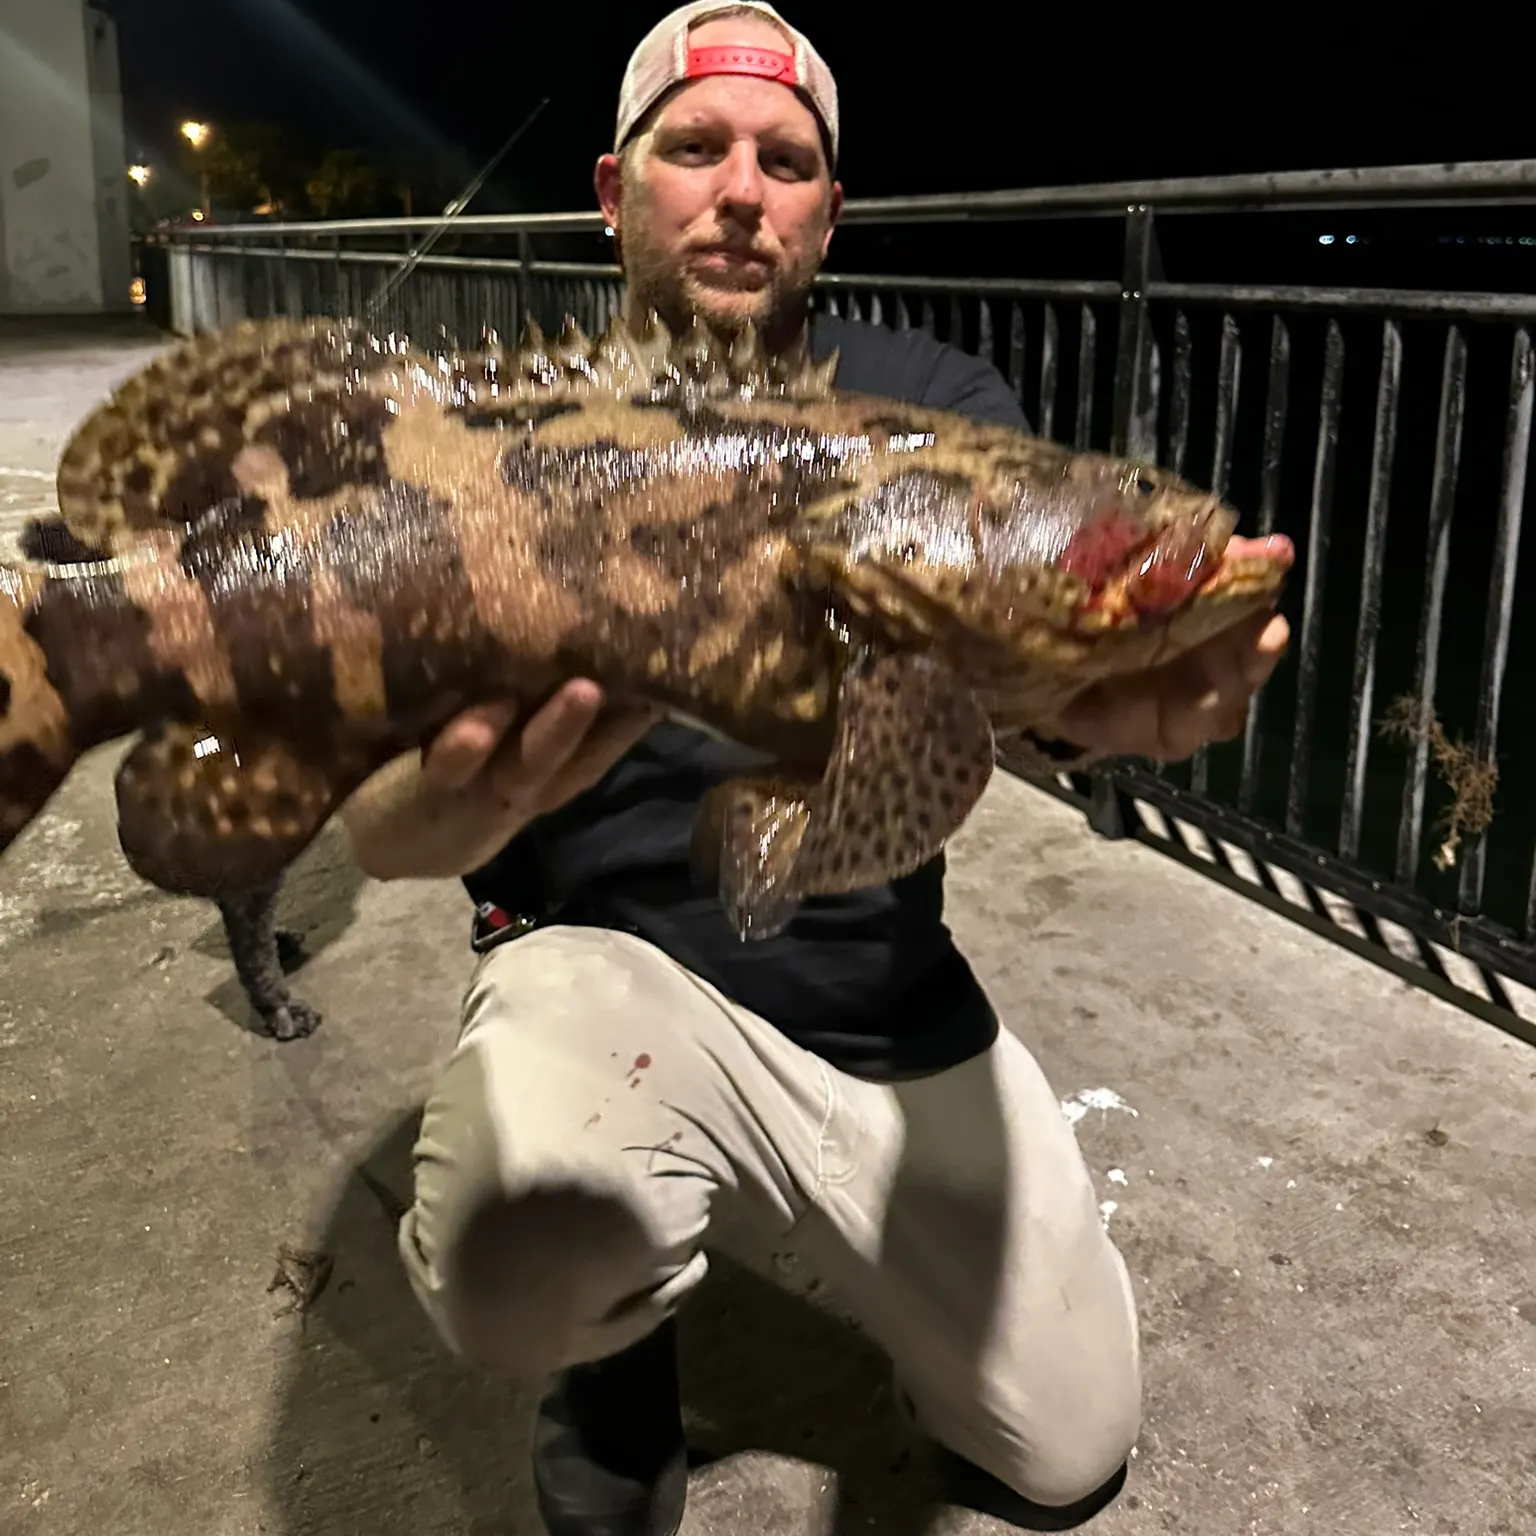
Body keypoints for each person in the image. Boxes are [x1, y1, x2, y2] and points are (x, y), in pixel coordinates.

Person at [340, 5, 1293, 1533]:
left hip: (874, 988)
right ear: (611, 188)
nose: (741, 190)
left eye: (786, 162)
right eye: (696, 147)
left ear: (828, 214)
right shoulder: (492, 438)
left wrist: (1083, 707)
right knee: (517, 1255)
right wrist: (425, 816)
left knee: (1069, 1448)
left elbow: (988, 661)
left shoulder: (939, 405)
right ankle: (612, 1355)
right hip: (601, 970)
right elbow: (381, 817)